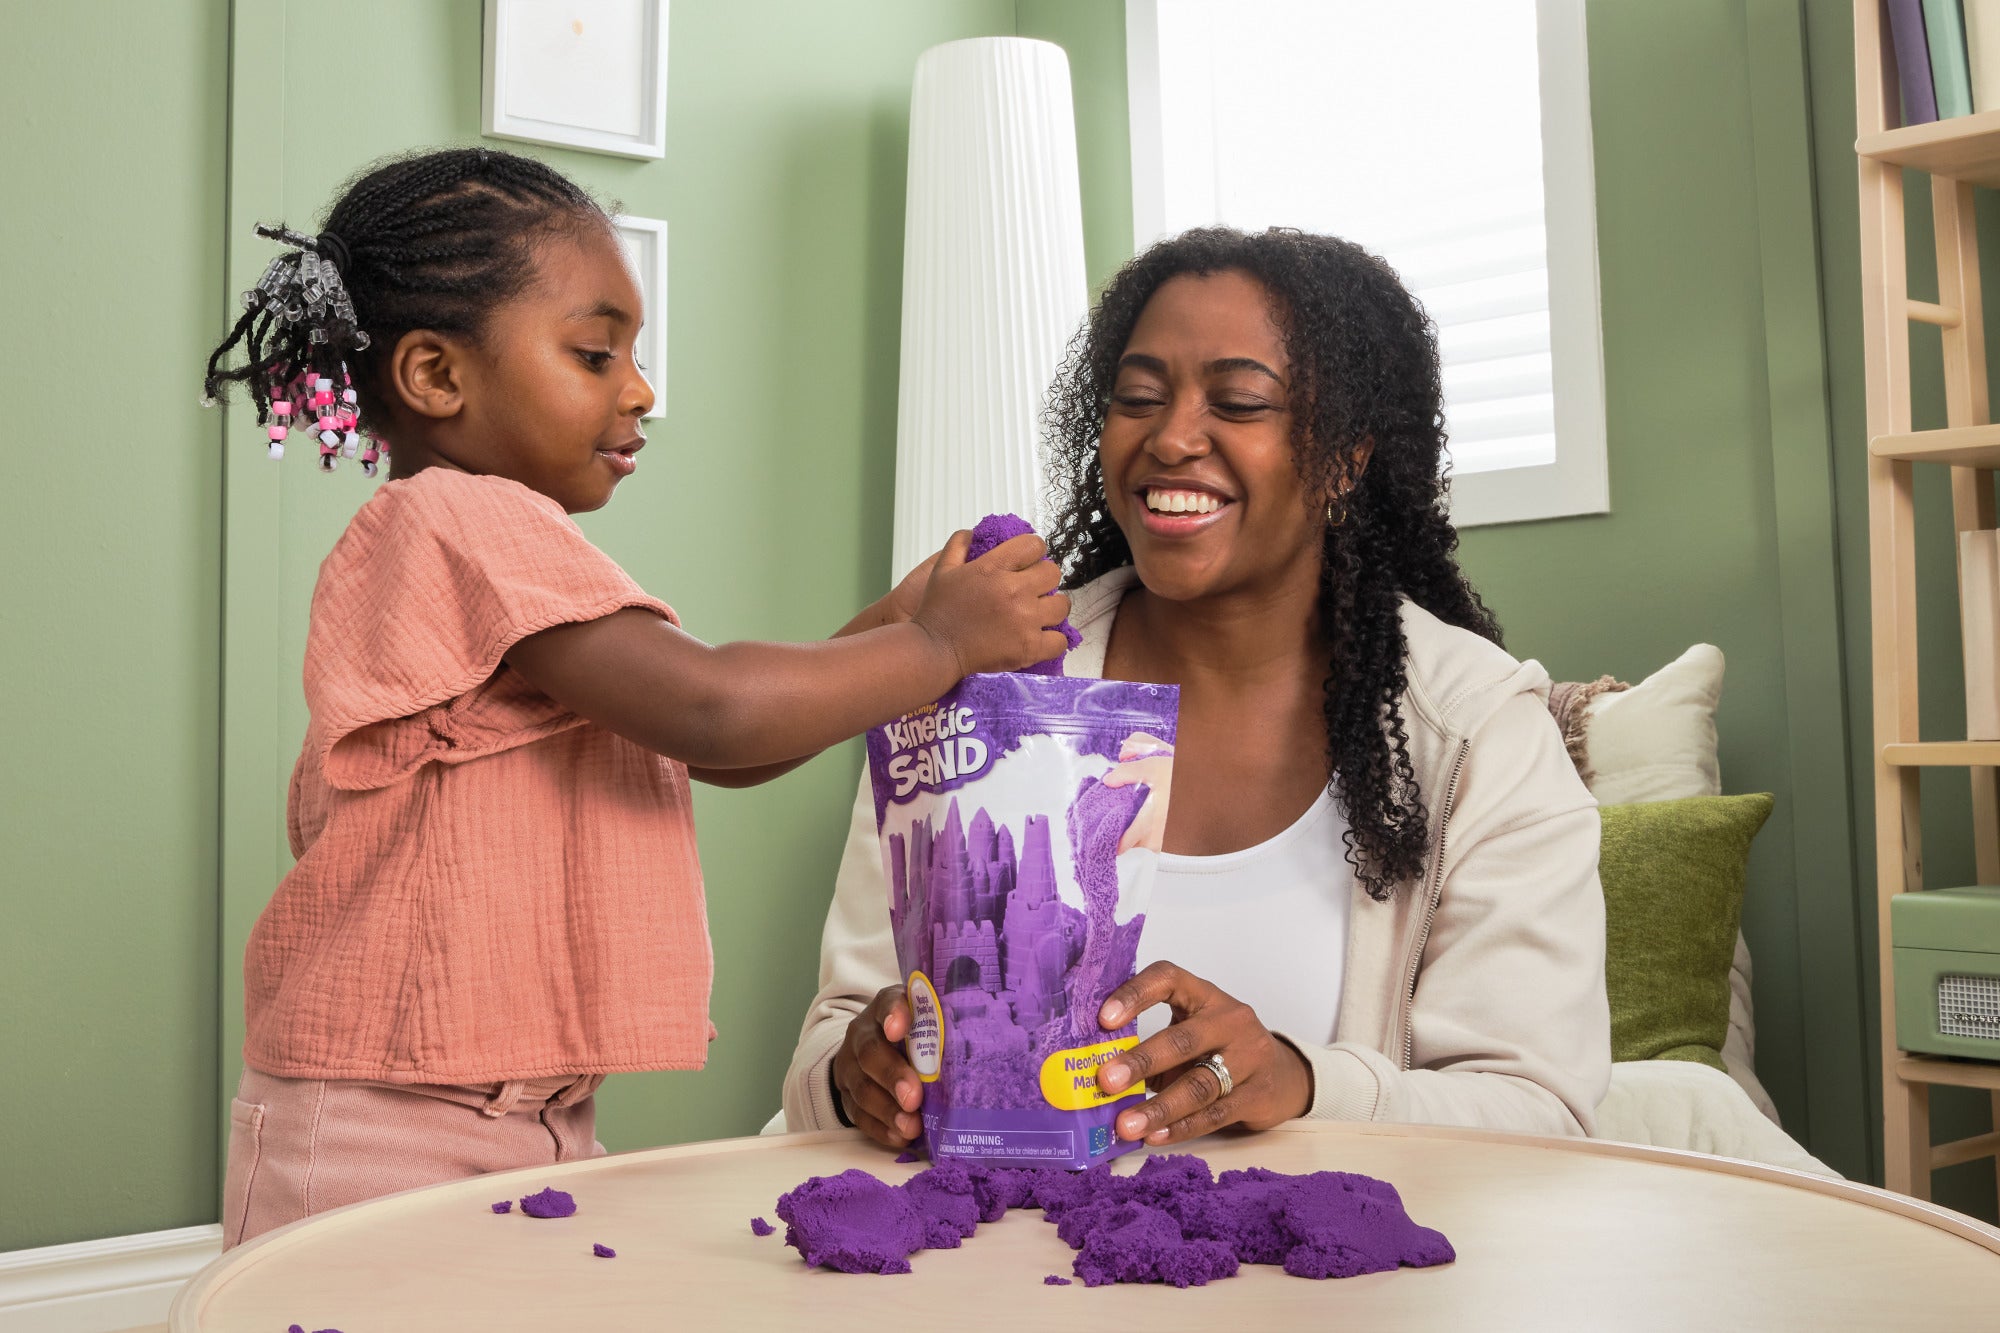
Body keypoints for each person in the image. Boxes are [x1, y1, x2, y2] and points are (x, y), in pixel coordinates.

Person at [200, 146, 1071, 1245]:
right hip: (391, 1123)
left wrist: (900, 629)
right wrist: (938, 643)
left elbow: (722, 745)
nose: (641, 391)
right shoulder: (460, 521)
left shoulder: (503, 556)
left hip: (522, 1115)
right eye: (595, 352)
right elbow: (714, 707)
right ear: (434, 377)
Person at [782, 226, 1610, 1153]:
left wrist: (1303, 1082)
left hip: (1333, 1294)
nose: (1171, 437)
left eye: (1240, 402)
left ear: (1346, 457)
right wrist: (859, 1076)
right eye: (1138, 397)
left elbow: (1540, 1111)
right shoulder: (976, 692)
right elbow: (836, 1036)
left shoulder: (1477, 734)